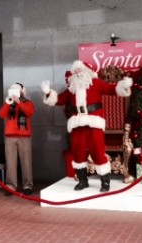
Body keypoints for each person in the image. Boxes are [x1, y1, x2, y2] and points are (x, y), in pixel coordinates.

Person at [41, 60, 132, 192]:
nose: (77, 72)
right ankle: (83, 181)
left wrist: (124, 85)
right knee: (78, 152)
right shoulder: (71, 88)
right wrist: (48, 92)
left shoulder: (96, 83)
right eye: (75, 70)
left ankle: (105, 182)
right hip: (77, 124)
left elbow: (112, 89)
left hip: (94, 122)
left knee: (97, 151)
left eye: (80, 69)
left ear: (87, 72)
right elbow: (59, 100)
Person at [0, 83, 35, 196]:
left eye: (17, 90)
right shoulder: (8, 102)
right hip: (10, 136)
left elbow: (30, 112)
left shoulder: (28, 102)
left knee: (26, 161)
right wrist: (8, 103)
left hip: (24, 136)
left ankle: (28, 185)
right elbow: (1, 114)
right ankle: (11, 186)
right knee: (10, 162)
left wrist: (19, 102)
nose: (14, 91)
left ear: (22, 91)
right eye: (13, 89)